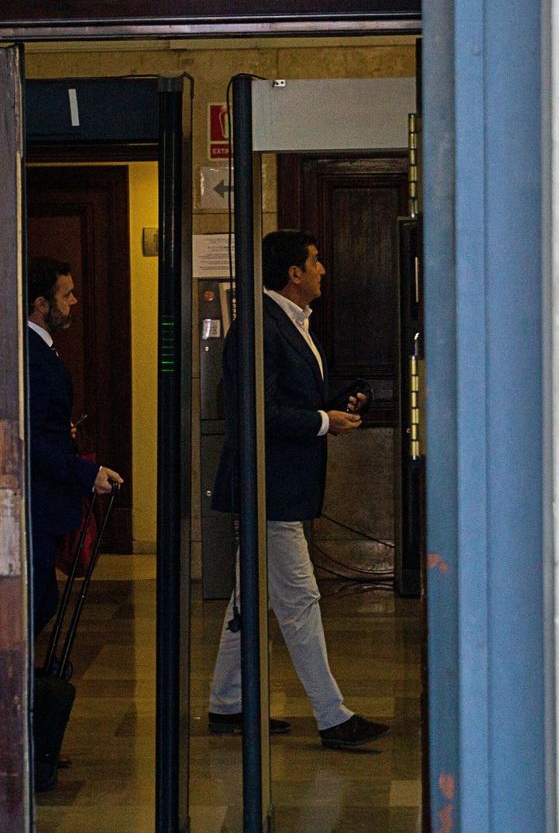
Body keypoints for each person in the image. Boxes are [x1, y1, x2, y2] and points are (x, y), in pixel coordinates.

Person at [207, 230, 389, 750]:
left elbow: (289, 392)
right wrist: (320, 420)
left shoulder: (289, 323)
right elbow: (253, 412)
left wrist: (338, 398)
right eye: (315, 261)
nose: (322, 269)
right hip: (270, 488)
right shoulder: (259, 328)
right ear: (293, 273)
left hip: (281, 484)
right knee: (300, 599)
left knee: (248, 597)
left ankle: (227, 704)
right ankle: (332, 715)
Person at [24, 257, 123, 637]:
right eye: (66, 295)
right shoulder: (34, 357)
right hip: (38, 501)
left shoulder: (39, 351)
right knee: (39, 601)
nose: (74, 301)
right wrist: (86, 473)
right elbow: (28, 441)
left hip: (44, 499)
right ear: (41, 304)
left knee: (42, 599)